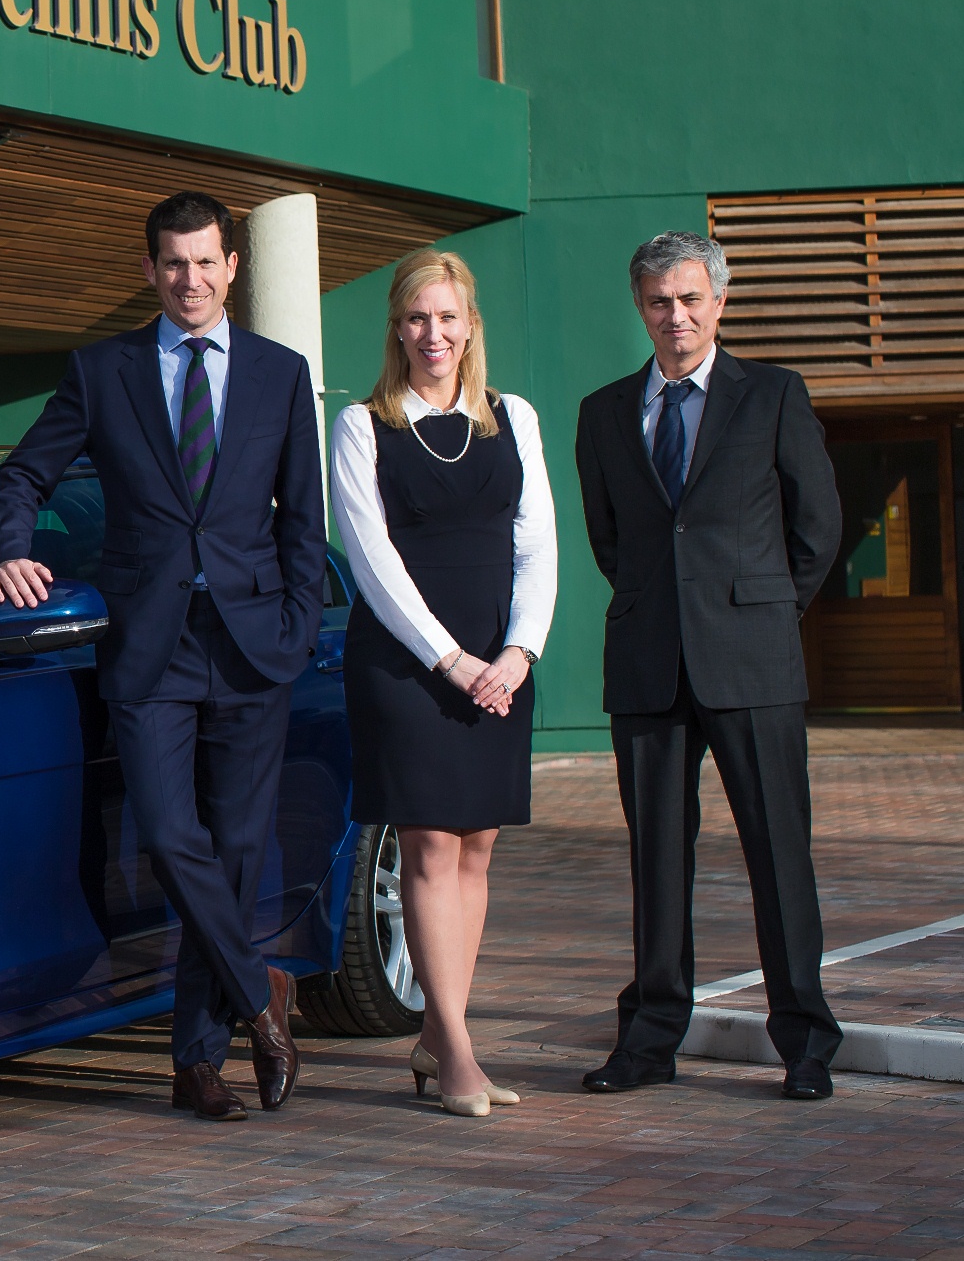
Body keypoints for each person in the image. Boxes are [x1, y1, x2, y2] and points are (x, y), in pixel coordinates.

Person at [0, 191, 327, 1122]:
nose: (191, 279)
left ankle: (196, 1063)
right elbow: (24, 474)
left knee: (239, 854)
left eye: (206, 261)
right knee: (173, 841)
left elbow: (304, 519)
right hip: (150, 648)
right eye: (174, 262)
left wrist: (298, 625)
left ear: (233, 267)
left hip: (253, 646)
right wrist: (11, 548)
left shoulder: (281, 373)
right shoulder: (103, 371)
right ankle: (262, 994)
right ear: (149, 269)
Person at [575, 230, 842, 1101]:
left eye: (691, 299)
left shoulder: (774, 394)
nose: (676, 316)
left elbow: (817, 527)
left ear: (719, 303)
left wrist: (761, 613)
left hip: (752, 661)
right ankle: (650, 1041)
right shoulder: (604, 412)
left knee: (778, 854)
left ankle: (805, 1042)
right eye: (659, 302)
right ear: (639, 307)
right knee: (656, 861)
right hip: (648, 663)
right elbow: (612, 539)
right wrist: (667, 609)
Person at [329, 249, 555, 1117]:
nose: (434, 333)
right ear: (396, 328)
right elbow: (372, 563)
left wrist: (519, 652)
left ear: (470, 327)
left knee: (477, 847)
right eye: (417, 318)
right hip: (407, 666)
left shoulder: (514, 418)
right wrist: (450, 659)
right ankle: (456, 1050)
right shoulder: (362, 426)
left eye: (448, 317)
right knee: (428, 845)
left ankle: (438, 1035)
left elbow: (537, 544)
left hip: (500, 665)